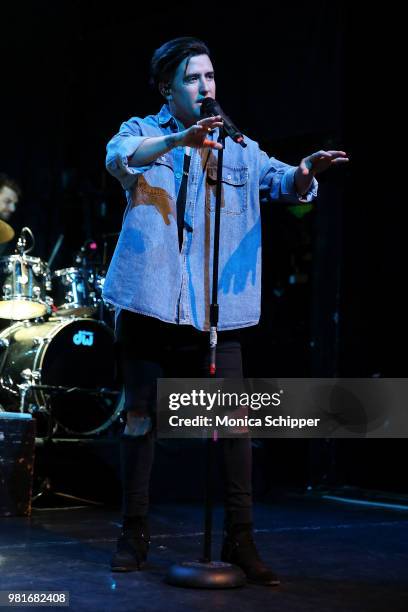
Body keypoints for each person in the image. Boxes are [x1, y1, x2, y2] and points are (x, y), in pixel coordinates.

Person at [103, 37, 348, 586]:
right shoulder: (143, 131)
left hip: (214, 314)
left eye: (210, 77)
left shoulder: (238, 147)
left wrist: (306, 171)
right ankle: (133, 530)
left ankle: (241, 538)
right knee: (141, 419)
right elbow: (119, 158)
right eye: (193, 78)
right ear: (168, 87)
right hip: (151, 303)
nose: (205, 87)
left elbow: (283, 182)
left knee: (232, 426)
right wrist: (178, 140)